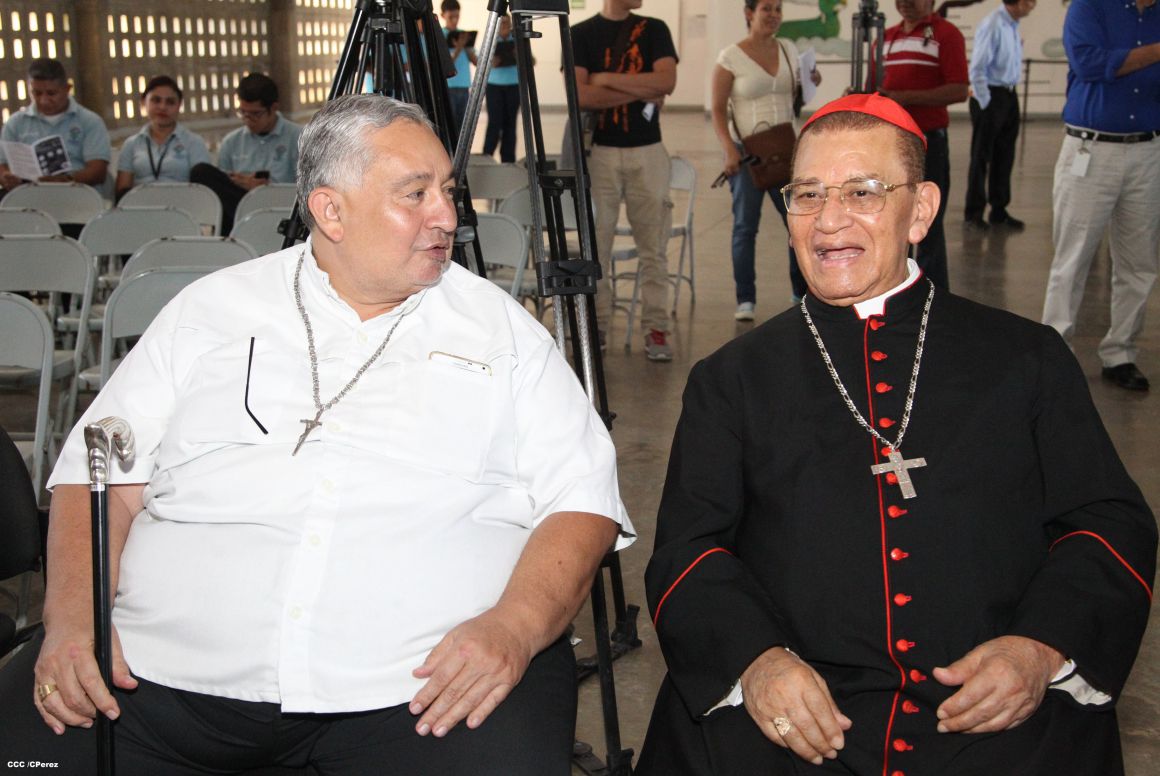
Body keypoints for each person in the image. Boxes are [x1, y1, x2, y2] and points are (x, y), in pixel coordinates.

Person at [0, 95, 632, 775]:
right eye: (415, 194)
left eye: (448, 190)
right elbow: (98, 480)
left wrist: (513, 628)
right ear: (330, 210)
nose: (447, 216)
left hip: (419, 692)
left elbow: (583, 502)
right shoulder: (210, 312)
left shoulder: (502, 332)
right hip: (159, 678)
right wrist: (72, 620)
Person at [638, 93, 1156, 776]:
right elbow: (686, 552)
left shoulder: (1026, 358)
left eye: (863, 192)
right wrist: (756, 662)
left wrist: (1038, 648)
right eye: (808, 194)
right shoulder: (730, 379)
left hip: (993, 716)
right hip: (798, 716)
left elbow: (1108, 524)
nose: (829, 221)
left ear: (920, 211)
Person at [1041, 0, 1160, 393]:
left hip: (1149, 151)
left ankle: (1120, 353)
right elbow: (1090, 63)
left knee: (1139, 262)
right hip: (1090, 151)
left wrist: (1129, 59)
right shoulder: (1089, 7)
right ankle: (1055, 352)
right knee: (1072, 258)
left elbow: (1114, 64)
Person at [572, 0, 679, 361]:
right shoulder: (580, 34)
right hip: (600, 152)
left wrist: (605, 79)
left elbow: (667, 81)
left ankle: (656, 328)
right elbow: (582, 95)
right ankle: (598, 324)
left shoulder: (655, 29)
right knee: (596, 245)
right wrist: (642, 89)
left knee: (654, 249)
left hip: (648, 152)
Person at [711, 0, 821, 321]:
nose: (773, 15)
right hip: (747, 154)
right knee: (746, 227)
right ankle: (746, 299)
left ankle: (800, 292)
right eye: (766, 9)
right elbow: (718, 109)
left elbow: (798, 93)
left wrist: (811, 79)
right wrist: (728, 150)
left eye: (777, 9)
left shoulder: (787, 48)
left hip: (786, 150)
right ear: (749, 13)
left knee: (797, 222)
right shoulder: (730, 57)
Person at [874, 0, 968, 290]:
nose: (906, 3)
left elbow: (959, 90)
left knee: (927, 221)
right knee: (889, 216)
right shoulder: (886, 37)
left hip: (929, 142)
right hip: (889, 143)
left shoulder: (946, 34)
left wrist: (905, 98)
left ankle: (931, 298)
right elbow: (873, 86)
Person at [189, 73, 302, 234]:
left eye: (256, 114)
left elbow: (305, 189)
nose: (248, 120)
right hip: (238, 206)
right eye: (243, 113)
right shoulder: (231, 142)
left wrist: (265, 188)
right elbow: (223, 190)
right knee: (201, 172)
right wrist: (240, 182)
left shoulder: (298, 138)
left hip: (280, 207)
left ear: (274, 108)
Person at [964, 0, 1036, 231]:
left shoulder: (1012, 25)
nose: (1033, 6)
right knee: (981, 157)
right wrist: (985, 102)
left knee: (1005, 155)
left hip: (1008, 94)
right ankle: (973, 212)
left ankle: (999, 210)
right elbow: (977, 68)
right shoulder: (993, 24)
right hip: (991, 96)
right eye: (1030, 1)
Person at [0, 58, 111, 193]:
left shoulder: (89, 121)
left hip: (78, 194)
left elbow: (97, 171)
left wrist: (66, 180)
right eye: (37, 93)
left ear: (67, 89)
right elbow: (2, 163)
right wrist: (6, 177)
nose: (44, 100)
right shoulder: (15, 123)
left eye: (51, 93)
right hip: (29, 195)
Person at [114, 76, 211, 200]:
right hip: (140, 210)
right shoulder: (131, 144)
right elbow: (122, 193)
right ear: (143, 102)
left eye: (170, 102)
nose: (162, 107)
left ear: (179, 105)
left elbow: (202, 192)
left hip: (182, 209)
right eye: (156, 100)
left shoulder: (193, 142)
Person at [483, 13, 520, 163]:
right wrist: (491, 61)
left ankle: (508, 160)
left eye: (507, 23)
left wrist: (519, 55)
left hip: (513, 86)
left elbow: (532, 60)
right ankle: (487, 156)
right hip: (494, 87)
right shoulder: (490, 40)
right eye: (502, 23)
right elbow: (481, 61)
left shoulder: (517, 40)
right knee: (494, 122)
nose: (505, 26)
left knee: (510, 124)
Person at [441, 0, 477, 135]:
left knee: (463, 125)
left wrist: (467, 46)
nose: (455, 20)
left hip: (464, 85)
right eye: (451, 17)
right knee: (448, 124)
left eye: (457, 16)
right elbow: (445, 63)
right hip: (448, 86)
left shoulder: (464, 34)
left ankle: (460, 154)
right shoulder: (440, 34)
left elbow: (475, 61)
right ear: (443, 15)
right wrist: (458, 48)